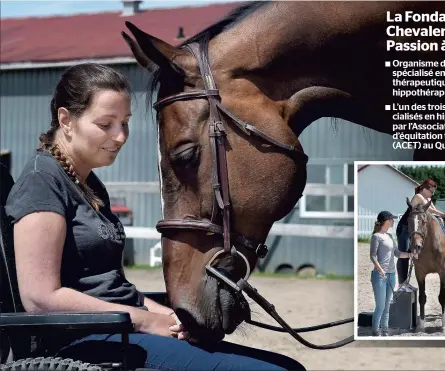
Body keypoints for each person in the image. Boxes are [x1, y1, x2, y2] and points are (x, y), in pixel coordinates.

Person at [5, 63, 304, 371]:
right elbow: (40, 298)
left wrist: (168, 317)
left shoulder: (89, 185)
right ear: (66, 120)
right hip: (84, 340)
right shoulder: (42, 183)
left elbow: (112, 287)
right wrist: (146, 321)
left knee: (286, 366)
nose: (120, 136)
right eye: (106, 124)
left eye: (125, 123)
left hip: (118, 329)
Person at [395, 179, 445, 284]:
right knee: (405, 254)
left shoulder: (427, 197)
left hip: (415, 228)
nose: (432, 194)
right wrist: (444, 215)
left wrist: (444, 217)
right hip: (405, 229)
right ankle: (402, 283)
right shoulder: (418, 197)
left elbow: (434, 214)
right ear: (424, 189)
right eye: (431, 191)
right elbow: (430, 210)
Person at [369, 211, 412, 336]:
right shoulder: (376, 236)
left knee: (387, 306)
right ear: (387, 221)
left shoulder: (390, 236)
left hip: (391, 275)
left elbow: (397, 253)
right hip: (380, 276)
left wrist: (410, 255)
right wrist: (380, 269)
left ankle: (385, 330)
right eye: (392, 219)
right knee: (380, 306)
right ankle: (375, 331)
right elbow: (372, 256)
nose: (393, 221)